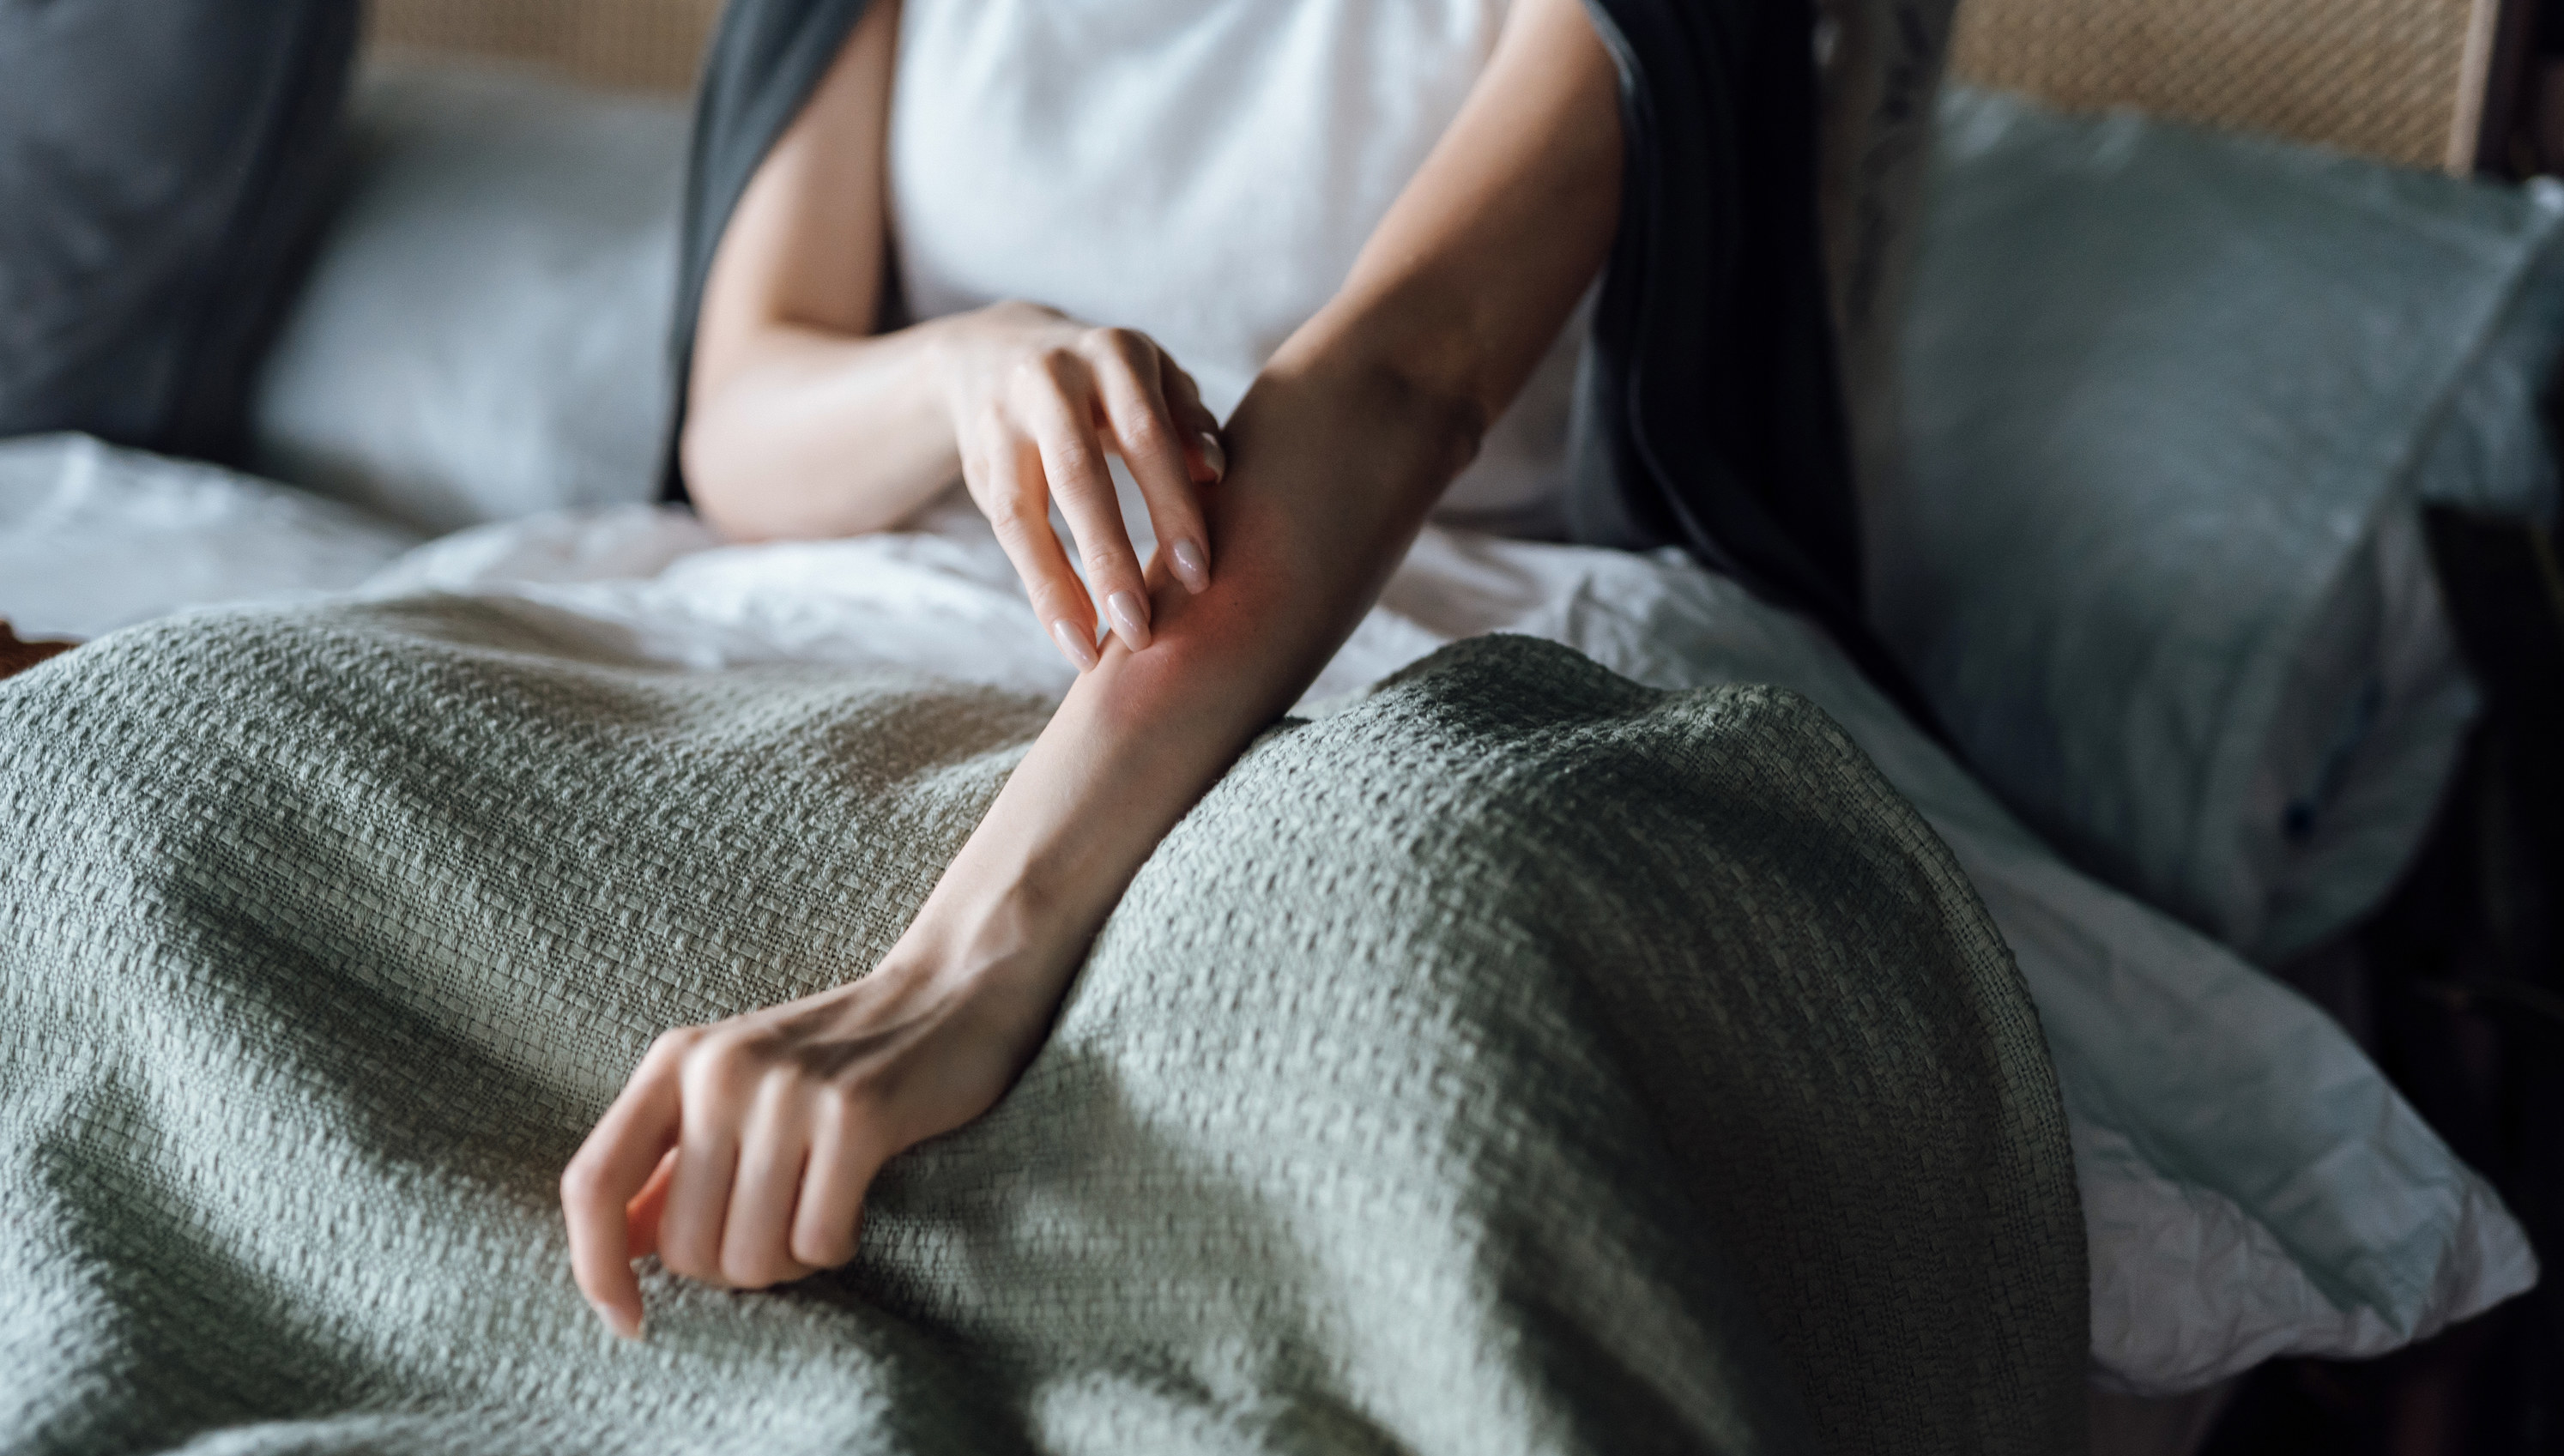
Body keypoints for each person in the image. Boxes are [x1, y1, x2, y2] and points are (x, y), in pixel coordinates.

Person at [561, 0, 1819, 1338]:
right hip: (876, 586)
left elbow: (1409, 371)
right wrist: (958, 375)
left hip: (1408, 598)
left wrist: (957, 967)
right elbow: (740, 413)